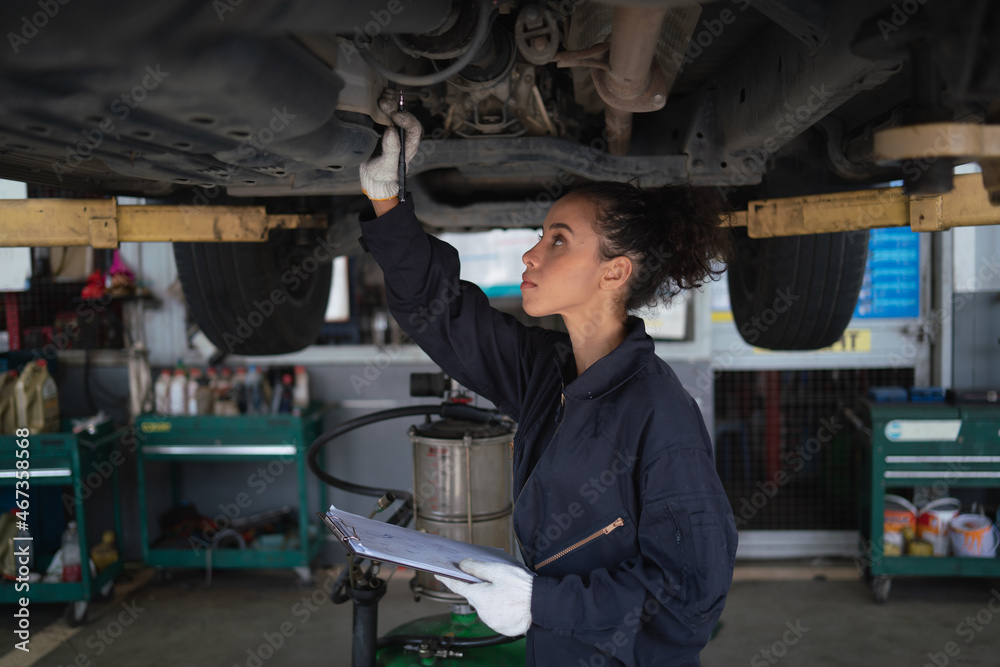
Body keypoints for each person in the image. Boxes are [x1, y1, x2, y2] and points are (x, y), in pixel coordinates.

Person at [357, 95, 738, 667]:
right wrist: (388, 202)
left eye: (557, 239)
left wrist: (544, 603)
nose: (531, 255)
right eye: (542, 236)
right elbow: (439, 312)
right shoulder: (550, 373)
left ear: (615, 271)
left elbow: (692, 598)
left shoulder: (659, 413)